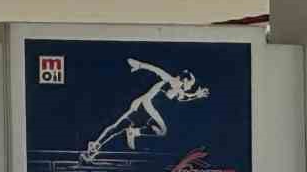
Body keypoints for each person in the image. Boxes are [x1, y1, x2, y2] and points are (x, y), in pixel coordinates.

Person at [81, 59, 210, 164]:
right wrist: (140, 65)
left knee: (127, 128)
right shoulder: (171, 80)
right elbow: (156, 70)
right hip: (144, 106)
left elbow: (184, 97)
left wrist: (196, 95)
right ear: (185, 80)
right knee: (156, 129)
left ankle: (103, 143)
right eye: (191, 84)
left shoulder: (180, 91)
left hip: (147, 113)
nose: (190, 87)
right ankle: (98, 144)